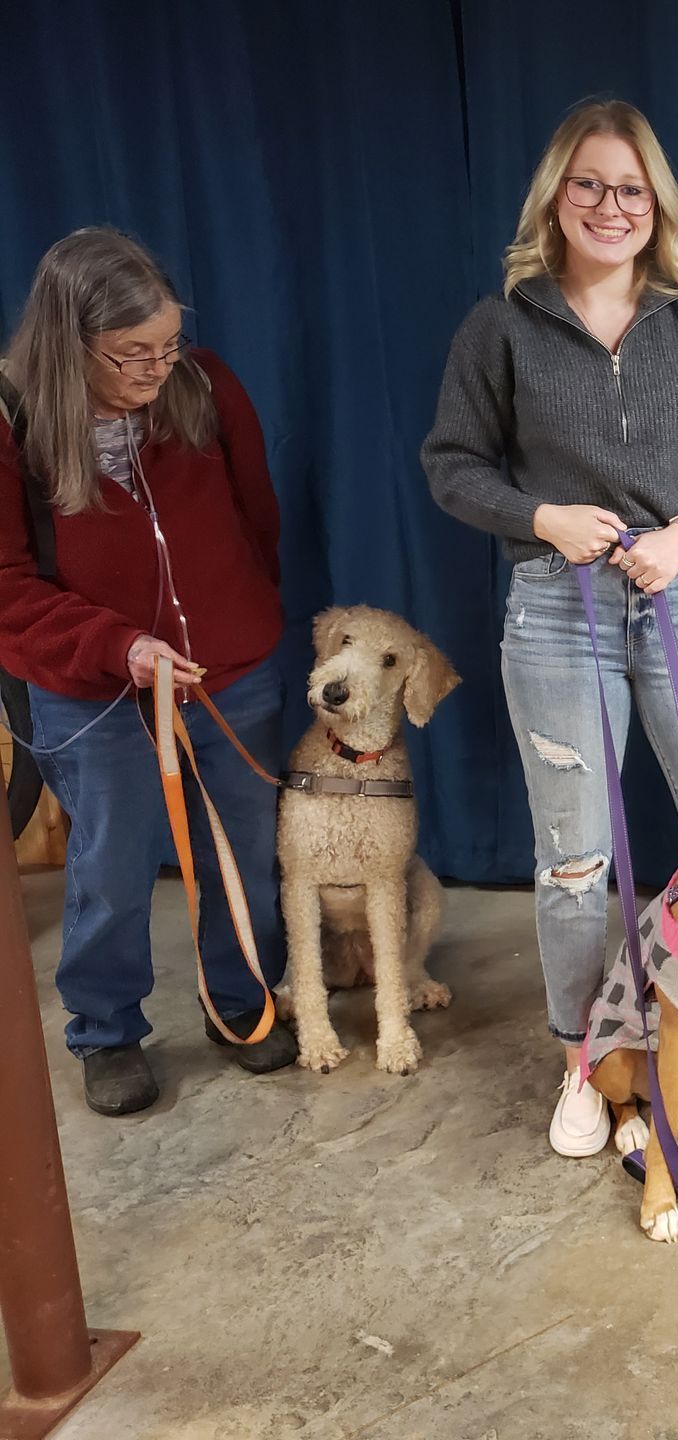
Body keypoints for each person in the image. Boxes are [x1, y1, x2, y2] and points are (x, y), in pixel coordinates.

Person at [423, 100, 678, 1159]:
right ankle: (588, 1058)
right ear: (556, 197)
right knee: (576, 861)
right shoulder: (501, 326)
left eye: (631, 189)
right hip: (555, 610)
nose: (610, 205)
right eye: (589, 184)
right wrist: (540, 518)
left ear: (657, 206)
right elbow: (453, 464)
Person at [0, 228, 296, 1116]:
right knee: (111, 864)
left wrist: (240, 621)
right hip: (94, 688)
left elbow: (257, 519)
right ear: (68, 342)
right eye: (132, 353)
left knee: (244, 853)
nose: (158, 367)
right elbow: (6, 586)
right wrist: (116, 645)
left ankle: (241, 1003)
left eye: (168, 344)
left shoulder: (205, 387)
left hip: (225, 673)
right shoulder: (14, 420)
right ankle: (106, 1032)